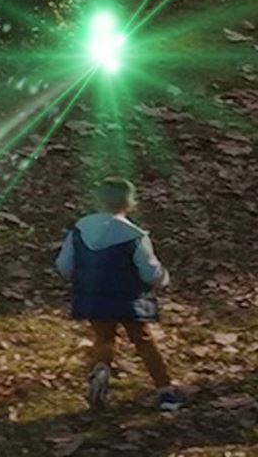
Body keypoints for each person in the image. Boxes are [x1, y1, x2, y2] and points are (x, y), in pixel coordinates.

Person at [55, 177, 184, 412]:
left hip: (93, 297)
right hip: (130, 299)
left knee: (104, 338)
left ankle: (100, 369)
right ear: (130, 203)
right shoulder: (134, 235)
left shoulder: (81, 228)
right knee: (144, 341)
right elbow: (149, 270)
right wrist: (163, 279)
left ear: (98, 200)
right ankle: (165, 391)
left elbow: (64, 265)